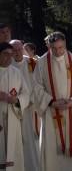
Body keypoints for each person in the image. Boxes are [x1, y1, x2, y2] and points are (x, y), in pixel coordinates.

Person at [32, 32, 72, 171]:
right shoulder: (42, 63)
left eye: (61, 48)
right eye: (54, 48)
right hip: (51, 112)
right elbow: (36, 87)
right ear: (49, 46)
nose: (58, 52)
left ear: (65, 45)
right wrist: (51, 102)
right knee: (52, 150)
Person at [10, 39, 40, 171]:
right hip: (12, 108)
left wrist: (31, 101)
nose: (17, 53)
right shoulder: (7, 64)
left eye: (19, 49)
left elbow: (39, 84)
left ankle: (32, 167)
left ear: (23, 48)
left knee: (30, 141)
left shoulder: (33, 63)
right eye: (14, 50)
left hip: (30, 109)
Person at [0, 42, 30, 171]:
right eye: (5, 54)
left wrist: (15, 100)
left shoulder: (16, 73)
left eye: (10, 55)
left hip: (13, 119)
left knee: (13, 156)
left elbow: (26, 94)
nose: (9, 58)